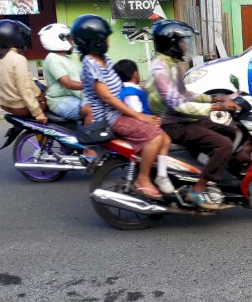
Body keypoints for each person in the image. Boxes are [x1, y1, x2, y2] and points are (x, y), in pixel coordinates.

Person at [71, 14, 174, 198]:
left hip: (119, 113)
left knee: (164, 135)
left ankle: (161, 175)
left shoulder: (105, 60)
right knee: (156, 137)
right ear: (95, 41)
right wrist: (139, 116)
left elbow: (119, 88)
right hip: (110, 118)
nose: (109, 40)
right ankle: (143, 179)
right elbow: (108, 98)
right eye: (106, 37)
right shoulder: (90, 64)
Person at [145, 20, 240, 210]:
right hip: (172, 124)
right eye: (182, 41)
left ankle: (218, 170)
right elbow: (177, 103)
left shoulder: (170, 65)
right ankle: (197, 189)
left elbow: (185, 93)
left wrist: (214, 98)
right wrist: (214, 108)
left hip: (183, 118)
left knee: (231, 130)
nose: (186, 45)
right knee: (224, 145)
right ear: (171, 43)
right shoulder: (160, 70)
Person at [113, 59, 175, 193]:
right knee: (164, 140)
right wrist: (153, 121)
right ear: (135, 74)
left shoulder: (127, 89)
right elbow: (137, 112)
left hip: (144, 120)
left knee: (166, 140)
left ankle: (160, 173)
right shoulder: (131, 92)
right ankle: (160, 175)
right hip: (142, 122)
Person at [0, 19, 47, 124]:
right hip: (21, 107)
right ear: (14, 36)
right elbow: (24, 89)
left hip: (5, 104)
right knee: (51, 98)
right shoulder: (17, 59)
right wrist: (38, 113)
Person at [37, 23, 93, 125]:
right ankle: (90, 139)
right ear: (59, 40)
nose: (73, 42)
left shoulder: (67, 59)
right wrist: (93, 85)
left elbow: (81, 77)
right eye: (70, 39)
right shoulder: (52, 58)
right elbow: (68, 83)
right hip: (59, 100)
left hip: (73, 97)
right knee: (92, 111)